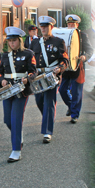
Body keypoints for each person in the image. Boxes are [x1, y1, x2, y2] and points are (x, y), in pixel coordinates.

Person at [0, 26, 36, 163]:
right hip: (8, 90)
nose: (12, 43)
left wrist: (27, 79)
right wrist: (2, 80)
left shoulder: (28, 54)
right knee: (7, 120)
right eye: (9, 41)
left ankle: (16, 150)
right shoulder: (4, 56)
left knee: (16, 118)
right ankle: (18, 136)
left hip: (22, 90)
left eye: (14, 41)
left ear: (19, 40)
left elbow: (33, 72)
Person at [29, 15, 67, 144]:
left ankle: (47, 132)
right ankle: (47, 117)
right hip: (38, 76)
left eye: (46, 26)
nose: (43, 29)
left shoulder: (58, 42)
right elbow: (31, 60)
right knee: (39, 101)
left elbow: (64, 60)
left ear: (51, 27)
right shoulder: (34, 42)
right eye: (42, 26)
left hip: (52, 75)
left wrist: (60, 69)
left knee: (49, 102)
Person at [58, 14, 92, 123]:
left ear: (77, 25)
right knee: (62, 90)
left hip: (78, 67)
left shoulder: (82, 35)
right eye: (69, 24)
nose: (71, 26)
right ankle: (71, 106)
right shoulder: (63, 35)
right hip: (66, 67)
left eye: (73, 24)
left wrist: (85, 56)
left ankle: (74, 115)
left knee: (77, 93)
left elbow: (90, 50)